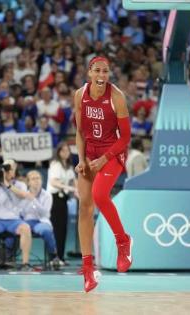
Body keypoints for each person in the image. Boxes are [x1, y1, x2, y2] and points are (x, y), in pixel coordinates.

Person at [74, 56, 132, 292]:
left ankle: (123, 241)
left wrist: (104, 159)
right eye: (97, 71)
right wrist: (81, 159)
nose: (101, 75)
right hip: (90, 154)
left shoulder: (116, 97)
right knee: (84, 207)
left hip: (112, 154)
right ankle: (88, 270)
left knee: (99, 195)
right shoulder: (80, 95)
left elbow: (126, 138)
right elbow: (79, 131)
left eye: (105, 72)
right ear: (89, 72)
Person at [0, 159, 32, 271]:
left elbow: (23, 195)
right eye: (5, 168)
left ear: (14, 171)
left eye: (10, 169)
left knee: (26, 228)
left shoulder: (20, 184)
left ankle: (25, 264)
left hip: (14, 220)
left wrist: (6, 184)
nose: (7, 171)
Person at [20, 170, 61, 270]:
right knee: (14, 229)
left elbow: (45, 213)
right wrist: (27, 197)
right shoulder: (22, 194)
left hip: (41, 222)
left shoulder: (47, 195)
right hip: (26, 222)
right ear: (28, 182)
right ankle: (10, 257)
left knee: (46, 231)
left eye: (38, 178)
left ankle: (53, 256)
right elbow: (21, 212)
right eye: (33, 179)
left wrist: (33, 200)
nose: (36, 181)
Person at [47, 141, 78, 265]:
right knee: (56, 229)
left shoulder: (69, 166)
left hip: (63, 199)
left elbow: (74, 181)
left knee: (63, 229)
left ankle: (60, 256)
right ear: (58, 152)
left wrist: (78, 193)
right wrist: (70, 188)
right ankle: (53, 257)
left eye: (67, 150)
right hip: (54, 199)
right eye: (63, 150)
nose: (66, 152)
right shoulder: (55, 165)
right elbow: (54, 182)